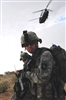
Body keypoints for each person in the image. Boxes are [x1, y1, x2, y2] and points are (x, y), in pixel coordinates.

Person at [20, 30, 65, 100]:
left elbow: (43, 78)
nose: (29, 46)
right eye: (26, 45)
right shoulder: (33, 58)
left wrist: (27, 74)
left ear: (36, 42)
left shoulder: (45, 55)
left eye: (31, 43)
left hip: (53, 97)